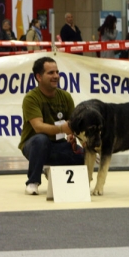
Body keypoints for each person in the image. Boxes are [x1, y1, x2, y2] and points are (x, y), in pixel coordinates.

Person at [19, 56, 84, 195]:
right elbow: (38, 127)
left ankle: (67, 179)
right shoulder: (31, 98)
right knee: (41, 139)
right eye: (50, 73)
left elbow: (72, 125)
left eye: (57, 72)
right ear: (39, 77)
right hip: (33, 146)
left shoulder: (66, 96)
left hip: (58, 145)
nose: (56, 76)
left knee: (82, 154)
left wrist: (72, 137)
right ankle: (33, 182)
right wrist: (62, 129)